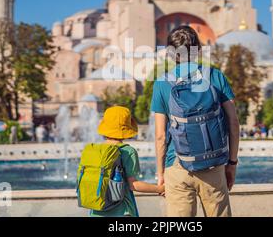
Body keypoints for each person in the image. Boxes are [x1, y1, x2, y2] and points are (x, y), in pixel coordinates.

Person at [151, 26, 240, 217]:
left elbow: (159, 136)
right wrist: (231, 163)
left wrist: (161, 174)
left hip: (177, 165)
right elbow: (233, 123)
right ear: (199, 50)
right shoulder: (215, 76)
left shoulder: (162, 83)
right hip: (213, 163)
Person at [85, 106, 164, 217]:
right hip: (122, 212)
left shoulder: (94, 151)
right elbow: (133, 185)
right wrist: (159, 188)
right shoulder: (128, 151)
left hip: (96, 211)